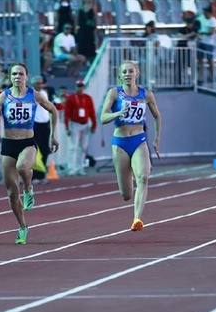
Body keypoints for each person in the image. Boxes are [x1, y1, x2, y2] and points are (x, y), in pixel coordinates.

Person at [0, 63, 60, 245]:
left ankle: (28, 188)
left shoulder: (34, 95)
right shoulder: (4, 96)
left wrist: (53, 135)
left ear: (26, 76)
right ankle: (23, 227)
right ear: (10, 77)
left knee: (23, 167)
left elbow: (53, 110)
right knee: (11, 193)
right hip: (9, 144)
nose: (17, 77)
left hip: (27, 142)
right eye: (14, 74)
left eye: (20, 74)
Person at [99, 60, 162, 232]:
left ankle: (137, 219)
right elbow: (102, 118)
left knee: (143, 177)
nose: (128, 74)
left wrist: (156, 139)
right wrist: (118, 113)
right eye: (124, 72)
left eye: (130, 71)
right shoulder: (114, 93)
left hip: (138, 140)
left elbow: (157, 116)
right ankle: (130, 177)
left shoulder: (146, 94)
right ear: (119, 75)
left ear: (137, 74)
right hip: (120, 143)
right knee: (126, 194)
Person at [62, 78, 97, 176]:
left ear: (83, 87)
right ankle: (71, 168)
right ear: (76, 87)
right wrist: (67, 127)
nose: (80, 88)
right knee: (73, 147)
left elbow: (92, 113)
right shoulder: (71, 98)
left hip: (85, 124)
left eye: (81, 86)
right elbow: (67, 114)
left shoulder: (88, 98)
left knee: (83, 148)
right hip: (75, 124)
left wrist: (94, 125)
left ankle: (80, 168)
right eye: (78, 86)